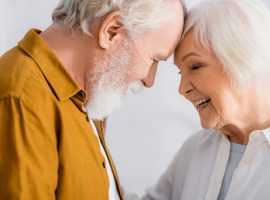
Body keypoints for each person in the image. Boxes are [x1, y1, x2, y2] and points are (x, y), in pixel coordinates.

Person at [0, 0, 185, 199]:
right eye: (155, 59)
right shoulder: (23, 98)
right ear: (111, 31)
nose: (150, 81)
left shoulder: (87, 92)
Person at [141, 0, 270, 199]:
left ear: (245, 57)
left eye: (195, 66)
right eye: (180, 72)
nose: (182, 89)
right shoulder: (195, 149)